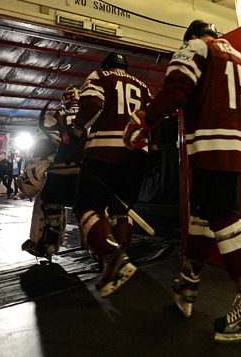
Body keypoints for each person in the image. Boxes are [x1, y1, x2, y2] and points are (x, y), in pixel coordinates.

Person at [123, 20, 241, 342]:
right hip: (238, 143)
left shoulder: (196, 47)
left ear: (191, 36)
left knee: (223, 215)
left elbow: (177, 90)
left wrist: (143, 119)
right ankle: (189, 279)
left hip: (210, 142)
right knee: (202, 212)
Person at [71, 52, 152, 298]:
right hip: (137, 153)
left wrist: (76, 129)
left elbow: (93, 105)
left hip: (104, 150)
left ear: (106, 66)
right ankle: (121, 259)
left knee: (86, 207)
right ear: (125, 67)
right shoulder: (143, 85)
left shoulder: (99, 76)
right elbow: (153, 118)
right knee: (120, 209)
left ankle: (112, 257)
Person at [21, 85, 82, 259]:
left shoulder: (55, 117)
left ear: (64, 99)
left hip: (59, 175)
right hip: (85, 175)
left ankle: (47, 245)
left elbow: (42, 149)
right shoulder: (91, 116)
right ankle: (101, 247)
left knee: (48, 205)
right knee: (96, 210)